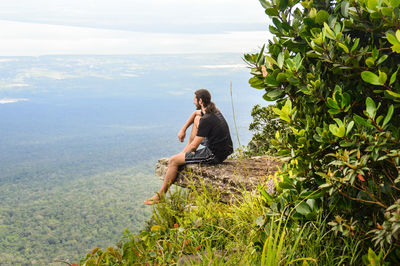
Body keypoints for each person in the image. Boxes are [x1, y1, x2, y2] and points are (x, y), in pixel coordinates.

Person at [144, 89, 233, 205]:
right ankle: (185, 154)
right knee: (197, 119)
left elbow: (194, 145)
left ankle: (160, 195)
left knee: (174, 161)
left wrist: (182, 157)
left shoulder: (207, 119)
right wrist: (183, 130)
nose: (193, 102)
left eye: (195, 99)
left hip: (215, 154)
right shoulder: (212, 111)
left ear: (200, 101)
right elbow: (196, 114)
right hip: (223, 147)